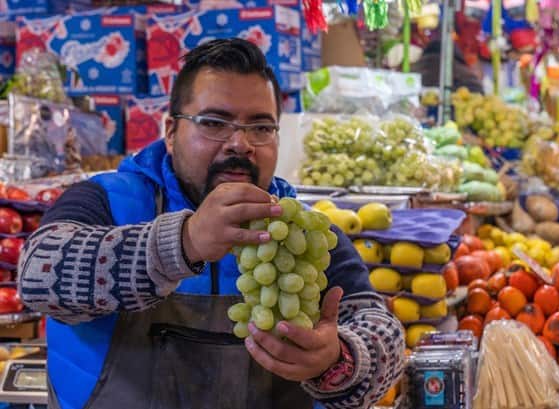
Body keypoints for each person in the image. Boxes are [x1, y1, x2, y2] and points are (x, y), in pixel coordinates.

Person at [18, 39, 405, 409]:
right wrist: (182, 243)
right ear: (171, 133)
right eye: (214, 122)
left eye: (261, 127)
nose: (240, 143)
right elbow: (37, 276)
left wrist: (339, 358)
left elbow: (383, 334)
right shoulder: (109, 200)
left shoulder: (301, 235)